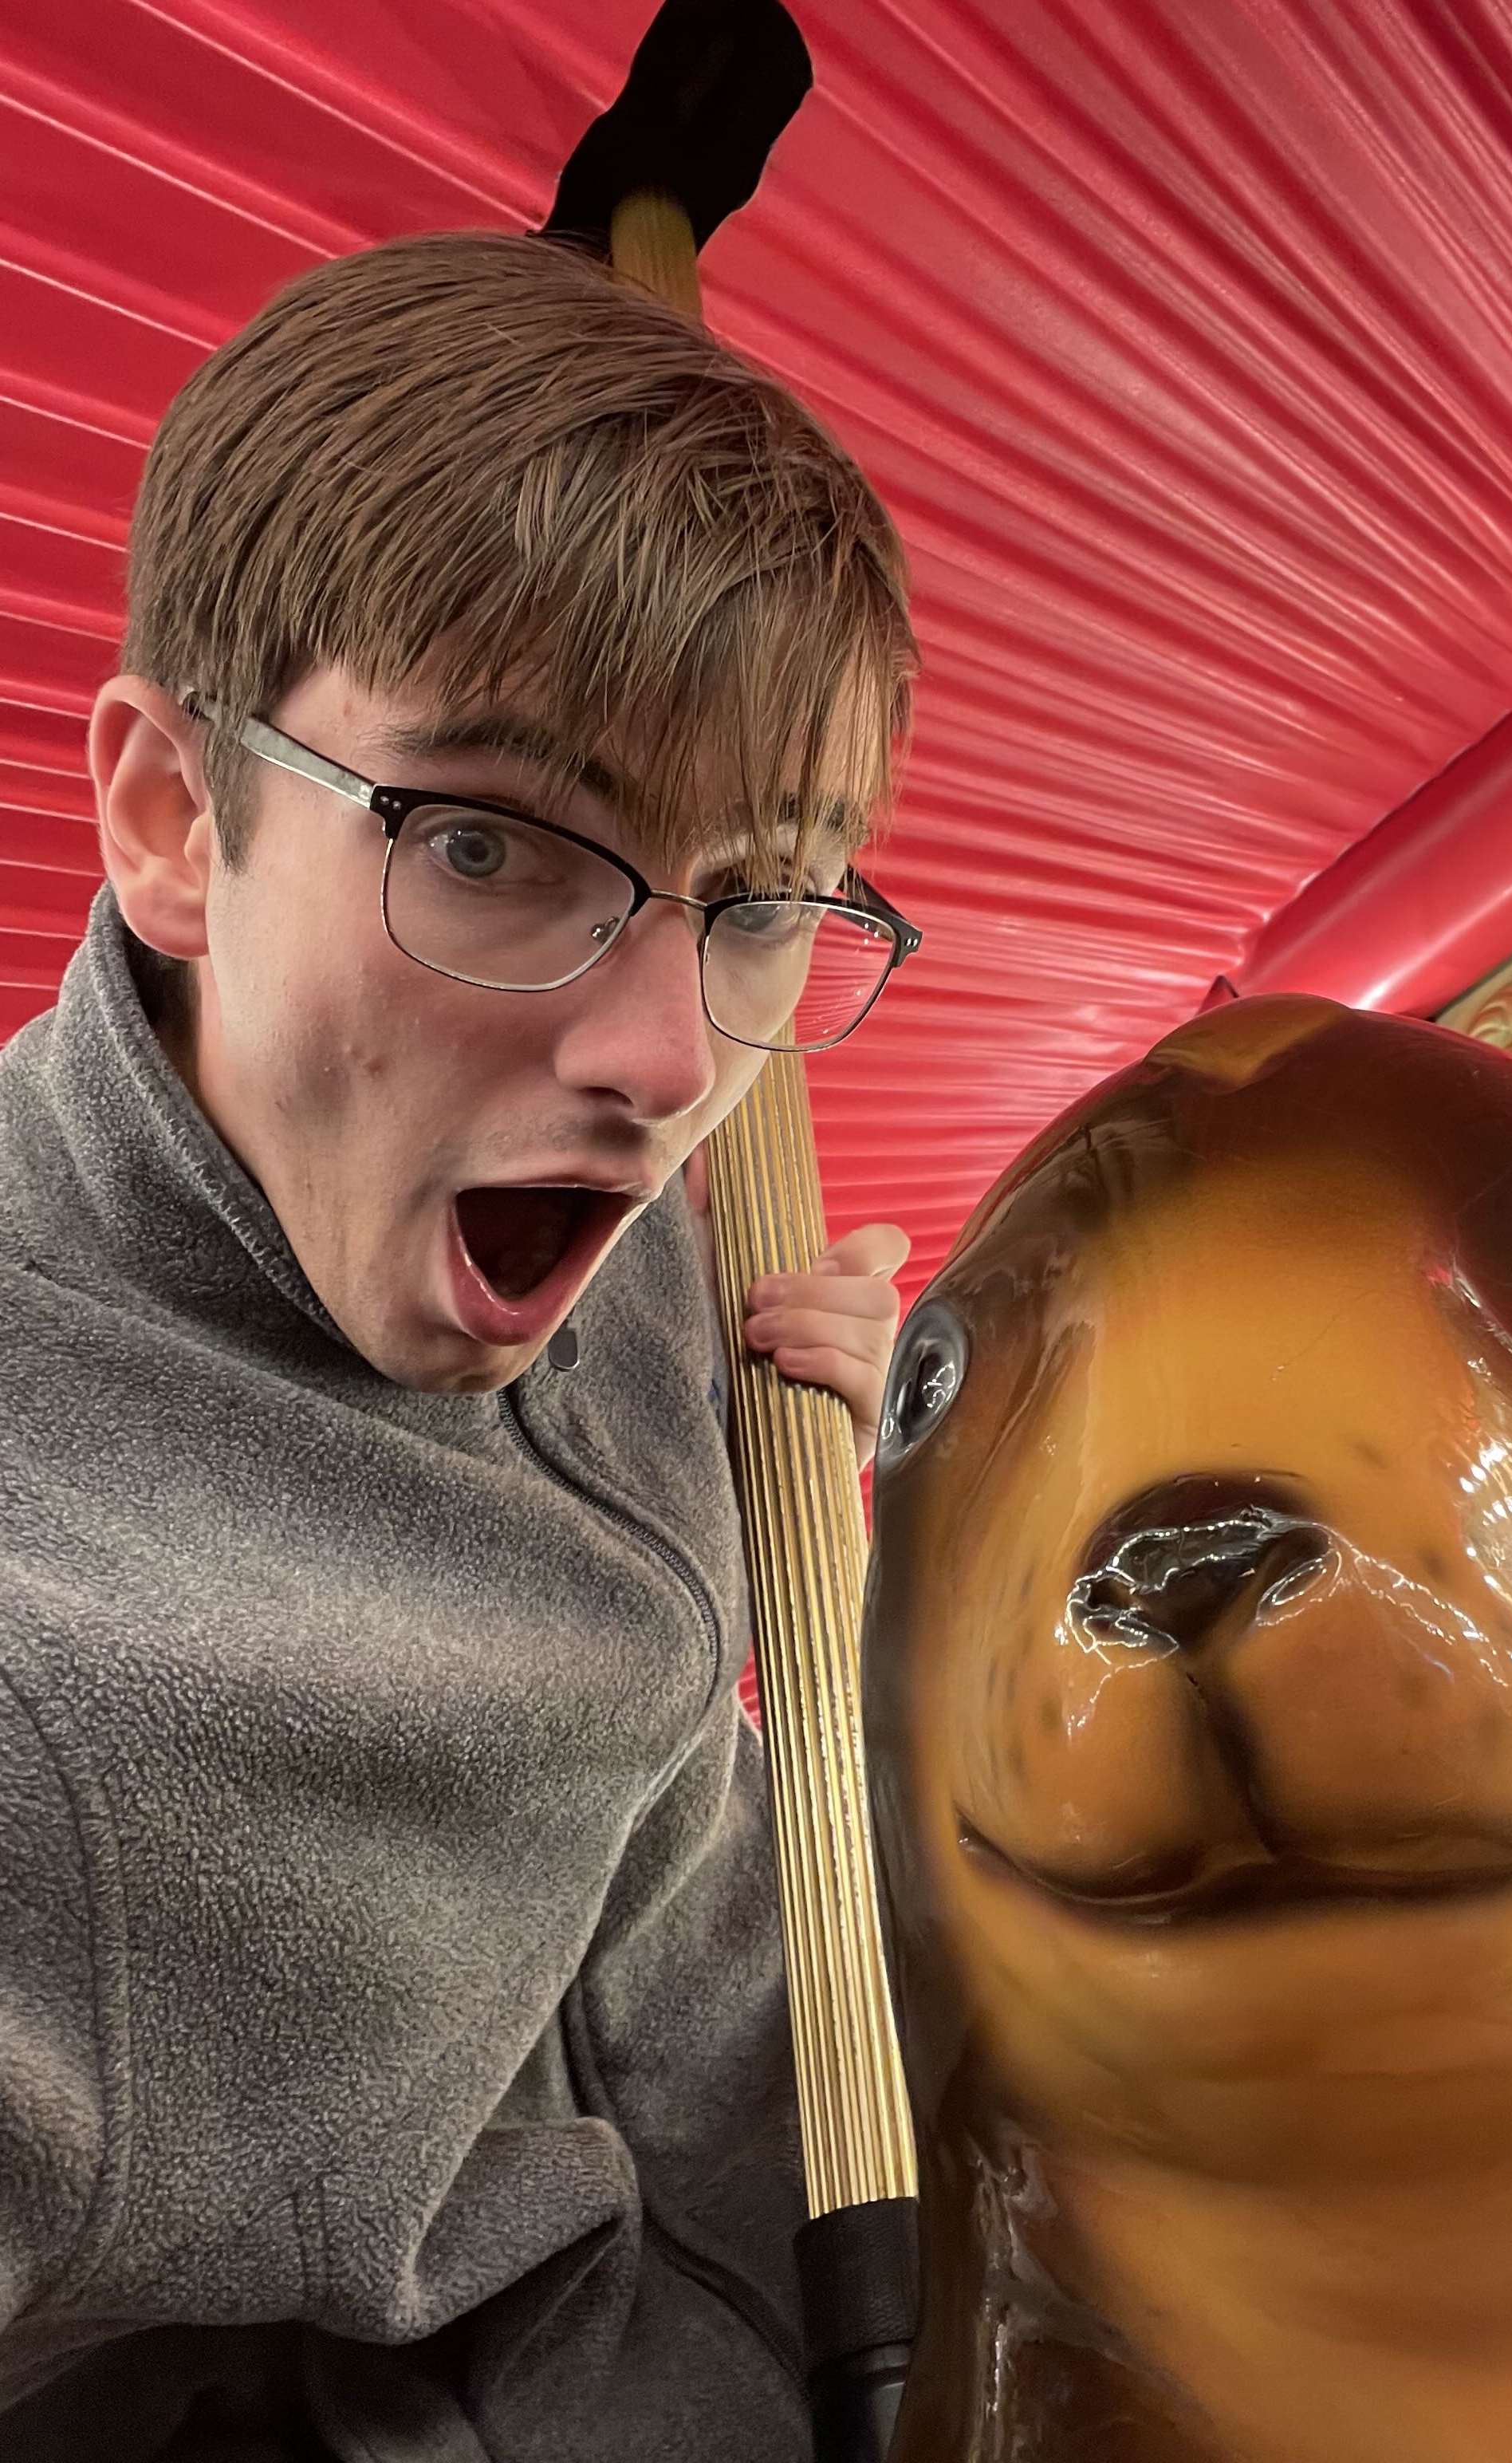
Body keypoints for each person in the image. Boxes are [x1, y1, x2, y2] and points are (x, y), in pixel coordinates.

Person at [0, 229, 919, 2461]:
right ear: (165, 818)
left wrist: (864, 1508)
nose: (664, 1057)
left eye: (766, 895)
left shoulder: (645, 1242)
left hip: (893, 2228)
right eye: (494, 843)